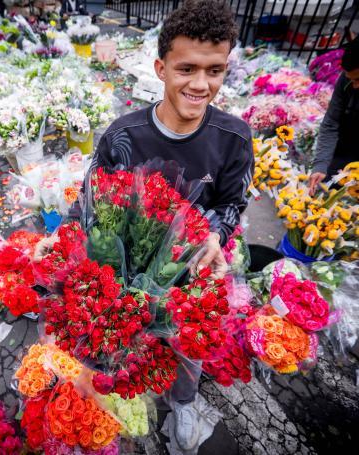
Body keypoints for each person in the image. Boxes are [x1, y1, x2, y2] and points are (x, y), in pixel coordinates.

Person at [87, 0, 252, 450]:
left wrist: (216, 237)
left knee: (185, 346)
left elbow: (234, 201)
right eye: (186, 69)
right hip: (124, 273)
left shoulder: (234, 138)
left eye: (215, 70)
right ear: (160, 68)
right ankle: (130, 385)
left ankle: (183, 402)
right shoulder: (122, 136)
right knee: (128, 337)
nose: (201, 84)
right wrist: (58, 241)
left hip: (189, 272)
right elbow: (92, 201)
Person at [309, 36, 359, 195]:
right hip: (344, 147)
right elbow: (331, 122)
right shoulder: (346, 79)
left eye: (358, 79)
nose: (355, 86)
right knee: (323, 190)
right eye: (352, 80)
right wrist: (321, 164)